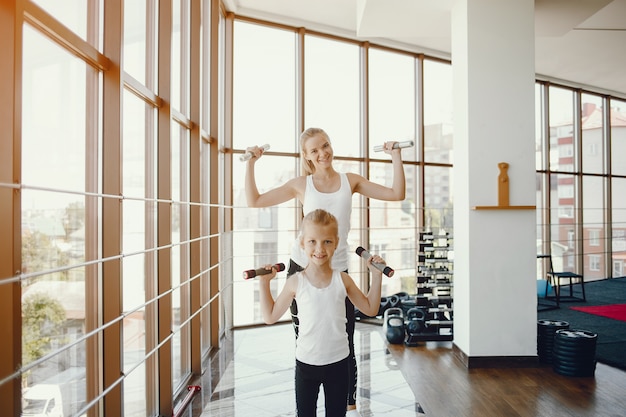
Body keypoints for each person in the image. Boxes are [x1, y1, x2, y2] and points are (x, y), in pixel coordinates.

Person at [245, 127, 405, 416]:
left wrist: (396, 156)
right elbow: (255, 201)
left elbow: (396, 194)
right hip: (302, 265)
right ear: (306, 157)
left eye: (325, 146)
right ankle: (306, 404)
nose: (323, 153)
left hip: (337, 266)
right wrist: (251, 164)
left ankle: (347, 402)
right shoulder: (300, 184)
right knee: (305, 337)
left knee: (344, 337)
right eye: (315, 150)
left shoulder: (350, 181)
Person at [258, 209, 385, 417]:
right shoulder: (295, 282)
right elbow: (270, 316)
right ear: (302, 243)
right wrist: (264, 284)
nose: (320, 248)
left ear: (336, 243)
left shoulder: (343, 280)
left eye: (327, 241)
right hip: (306, 366)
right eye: (312, 241)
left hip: (338, 363)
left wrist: (376, 277)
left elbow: (370, 308)